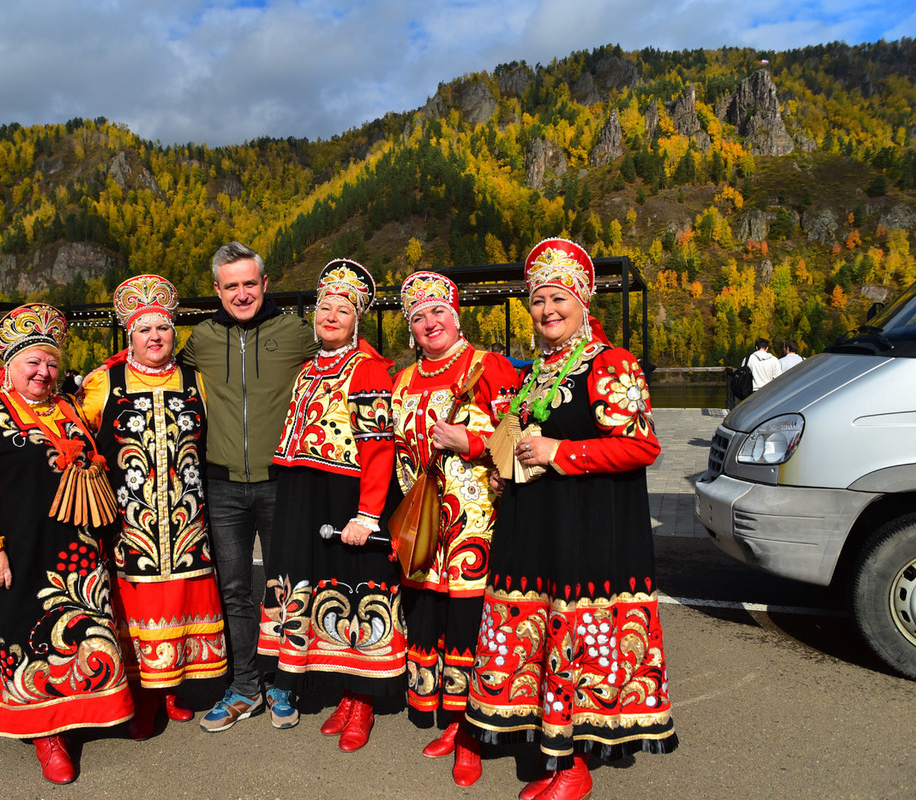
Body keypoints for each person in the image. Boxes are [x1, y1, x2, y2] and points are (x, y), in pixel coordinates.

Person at [466, 239, 677, 800]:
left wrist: (562, 452)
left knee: (575, 646)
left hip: (587, 532)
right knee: (538, 643)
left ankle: (575, 766)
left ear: (584, 302)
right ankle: (553, 752)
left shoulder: (612, 364)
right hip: (537, 530)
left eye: (558, 298)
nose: (546, 311)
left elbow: (641, 447)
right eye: (538, 301)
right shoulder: (538, 370)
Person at [0, 303, 133, 784]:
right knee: (27, 636)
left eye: (51, 362)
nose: (43, 371)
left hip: (76, 549)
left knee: (82, 631)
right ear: (8, 367)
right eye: (32, 362)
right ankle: (45, 734)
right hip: (19, 548)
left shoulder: (70, 409)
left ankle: (88, 706)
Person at [256, 258, 403, 750]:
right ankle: (335, 684)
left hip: (345, 498)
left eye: (343, 309)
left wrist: (367, 513)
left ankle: (361, 700)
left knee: (357, 590)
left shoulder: (369, 370)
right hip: (303, 495)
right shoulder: (307, 369)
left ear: (357, 318)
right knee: (314, 589)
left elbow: (379, 447)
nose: (331, 315)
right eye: (324, 308)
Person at [79, 275, 227, 740]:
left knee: (182, 602)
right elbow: (74, 435)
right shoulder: (104, 383)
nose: (155, 337)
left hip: (186, 520)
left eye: (162, 328)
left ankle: (171, 691)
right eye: (144, 330)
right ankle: (143, 697)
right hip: (130, 523)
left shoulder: (194, 380)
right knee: (135, 607)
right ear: (130, 337)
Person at [178, 241, 317, 732]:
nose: (241, 294)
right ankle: (243, 687)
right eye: (230, 285)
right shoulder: (202, 337)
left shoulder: (296, 332)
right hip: (221, 486)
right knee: (234, 590)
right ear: (217, 290)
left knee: (285, 588)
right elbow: (143, 364)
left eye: (249, 284)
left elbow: (353, 358)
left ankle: (284, 682)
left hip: (283, 481)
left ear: (265, 284)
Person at [390, 272, 519, 786]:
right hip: (424, 529)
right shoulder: (402, 381)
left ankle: (472, 733)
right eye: (418, 318)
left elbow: (518, 440)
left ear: (456, 314)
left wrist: (469, 440)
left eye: (437, 311)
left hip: (476, 526)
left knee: (470, 624)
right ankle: (444, 716)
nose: (429, 323)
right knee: (432, 617)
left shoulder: (488, 367)